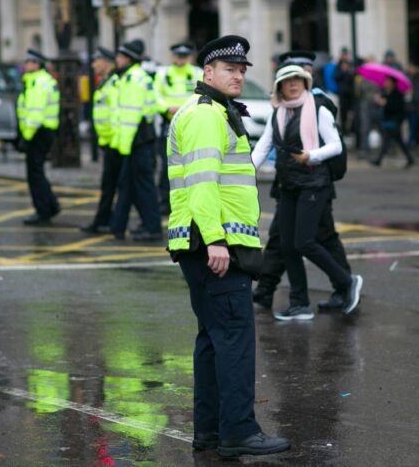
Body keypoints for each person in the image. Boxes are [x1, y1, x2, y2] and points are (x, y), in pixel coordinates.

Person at [167, 35, 290, 458]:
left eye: (241, 70)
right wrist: (216, 240)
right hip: (215, 244)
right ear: (208, 74)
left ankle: (212, 432)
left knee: (213, 340)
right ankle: (239, 430)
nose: (238, 75)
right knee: (234, 337)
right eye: (229, 70)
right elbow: (203, 184)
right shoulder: (205, 116)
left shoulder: (212, 111)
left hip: (203, 243)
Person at [252, 64, 363, 321]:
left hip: (314, 184)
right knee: (289, 246)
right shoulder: (278, 114)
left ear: (305, 83)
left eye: (297, 80)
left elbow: (336, 145)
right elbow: (262, 148)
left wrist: (311, 156)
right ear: (280, 87)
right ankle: (300, 304)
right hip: (289, 184)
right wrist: (243, 172)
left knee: (304, 242)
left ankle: (346, 281)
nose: (293, 85)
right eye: (287, 82)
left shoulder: (318, 109)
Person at [109, 39, 162, 241]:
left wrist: (122, 146)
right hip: (137, 140)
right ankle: (118, 226)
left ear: (127, 58)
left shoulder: (133, 79)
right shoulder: (132, 77)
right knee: (127, 184)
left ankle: (152, 228)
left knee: (144, 186)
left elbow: (131, 117)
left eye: (120, 57)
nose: (117, 60)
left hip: (137, 140)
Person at [153, 42, 202, 214]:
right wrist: (167, 109)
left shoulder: (197, 73)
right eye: (178, 56)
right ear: (172, 56)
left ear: (190, 57)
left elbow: (200, 95)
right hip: (168, 124)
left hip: (190, 125)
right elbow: (156, 96)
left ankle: (188, 202)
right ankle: (165, 203)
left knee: (190, 165)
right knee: (168, 166)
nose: (181, 60)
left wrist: (182, 110)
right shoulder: (163, 74)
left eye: (184, 56)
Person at [16, 49, 61, 225]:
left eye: (28, 62)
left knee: (35, 175)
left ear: (37, 64)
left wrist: (26, 138)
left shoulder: (38, 83)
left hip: (37, 133)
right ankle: (51, 205)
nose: (25, 65)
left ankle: (43, 211)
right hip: (43, 132)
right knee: (38, 172)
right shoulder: (42, 80)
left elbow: (35, 113)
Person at [81, 47, 122, 234]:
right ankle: (106, 220)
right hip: (107, 141)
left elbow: (116, 114)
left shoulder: (114, 83)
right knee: (112, 185)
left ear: (106, 62)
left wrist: (114, 140)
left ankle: (108, 221)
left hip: (115, 142)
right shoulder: (106, 82)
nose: (93, 65)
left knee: (116, 185)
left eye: (96, 60)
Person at [370, 76, 414, 168]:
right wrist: (378, 101)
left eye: (388, 81)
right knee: (399, 141)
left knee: (387, 140)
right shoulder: (385, 93)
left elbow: (397, 107)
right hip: (388, 120)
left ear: (392, 83)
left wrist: (386, 103)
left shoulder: (397, 94)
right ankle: (410, 158)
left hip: (395, 121)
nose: (386, 83)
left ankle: (379, 160)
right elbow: (379, 105)